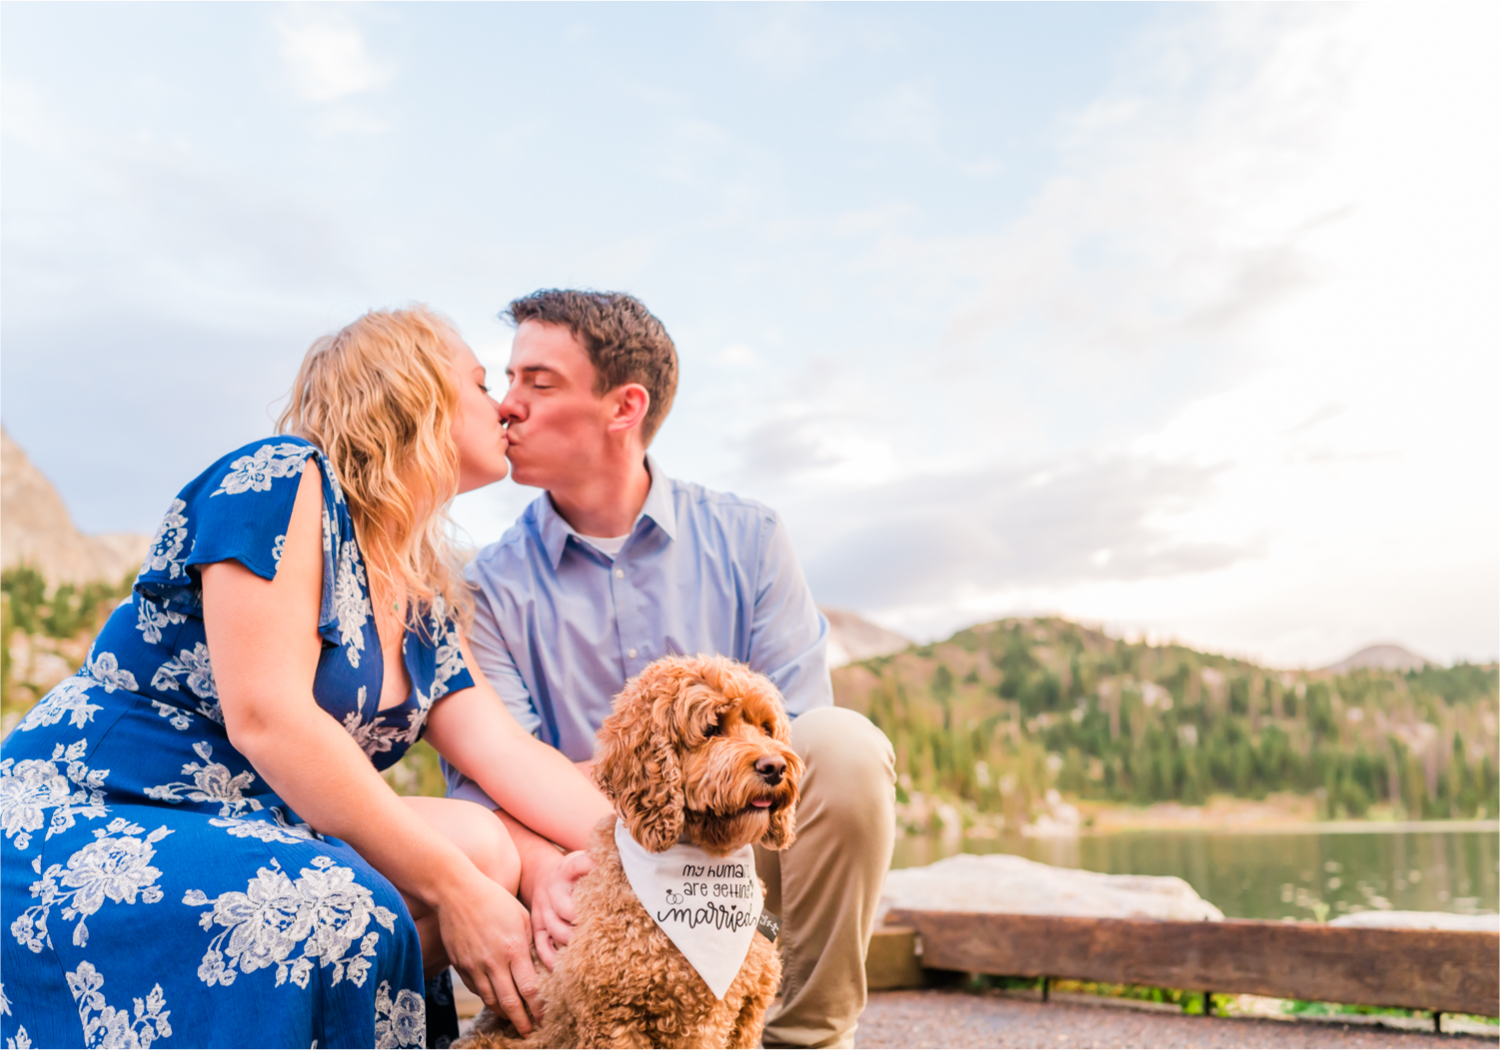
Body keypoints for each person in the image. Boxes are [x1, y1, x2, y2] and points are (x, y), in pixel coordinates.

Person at [0, 307, 610, 1049]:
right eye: (482, 385)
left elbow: (506, 753)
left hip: (247, 818)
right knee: (366, 899)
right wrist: (456, 891)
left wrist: (657, 852)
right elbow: (269, 719)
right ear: (415, 391)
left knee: (486, 846)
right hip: (103, 803)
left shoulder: (420, 590)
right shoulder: (283, 479)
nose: (505, 407)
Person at [445, 289, 897, 1050]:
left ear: (624, 407)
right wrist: (555, 853)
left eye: (538, 383)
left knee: (843, 744)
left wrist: (688, 768)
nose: (507, 405)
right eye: (507, 380)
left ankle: (808, 1038)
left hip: (738, 849)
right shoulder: (486, 587)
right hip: (585, 871)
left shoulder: (751, 538)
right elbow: (493, 778)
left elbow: (791, 744)